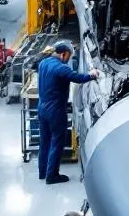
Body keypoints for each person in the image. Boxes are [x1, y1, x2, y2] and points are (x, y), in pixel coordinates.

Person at [36, 41, 100, 184]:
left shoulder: (43, 63)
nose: (68, 59)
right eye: (69, 56)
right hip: (55, 110)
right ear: (63, 53)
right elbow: (78, 78)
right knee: (57, 142)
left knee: (44, 141)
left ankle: (42, 172)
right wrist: (92, 75)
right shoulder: (61, 68)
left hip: (42, 108)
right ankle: (52, 176)